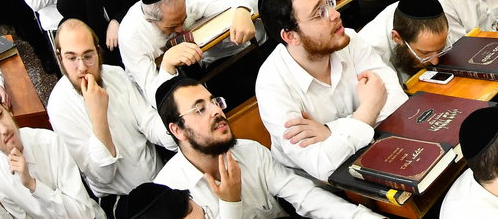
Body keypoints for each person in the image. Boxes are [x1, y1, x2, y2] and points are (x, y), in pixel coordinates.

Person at [153, 75, 382, 219]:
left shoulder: (250, 151)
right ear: (177, 130)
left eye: (214, 102)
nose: (216, 111)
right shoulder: (169, 195)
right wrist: (230, 202)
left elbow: (306, 197)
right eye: (199, 109)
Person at [253, 0, 406, 181]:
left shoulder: (348, 39)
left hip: (374, 151)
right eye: (319, 13)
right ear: (291, 37)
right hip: (317, 187)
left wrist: (329, 132)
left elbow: (398, 102)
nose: (334, 14)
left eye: (328, 2)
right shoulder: (271, 85)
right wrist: (368, 110)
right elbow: (322, 166)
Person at [45, 20, 175, 201]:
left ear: (98, 51)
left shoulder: (116, 75)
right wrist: (98, 115)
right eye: (72, 58)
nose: (82, 68)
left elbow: (148, 122)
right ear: (60, 58)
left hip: (160, 178)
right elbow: (103, 175)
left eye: (88, 56)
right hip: (122, 199)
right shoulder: (59, 107)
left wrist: (177, 132)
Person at [0, 85, 105, 219]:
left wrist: (33, 185)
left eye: (0, 114)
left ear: (7, 108)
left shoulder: (49, 142)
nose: (3, 129)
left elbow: (84, 214)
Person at [358, 0, 452, 81]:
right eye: (425, 53)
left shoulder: (432, 13)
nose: (435, 61)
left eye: (440, 50)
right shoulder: (370, 52)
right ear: (397, 38)